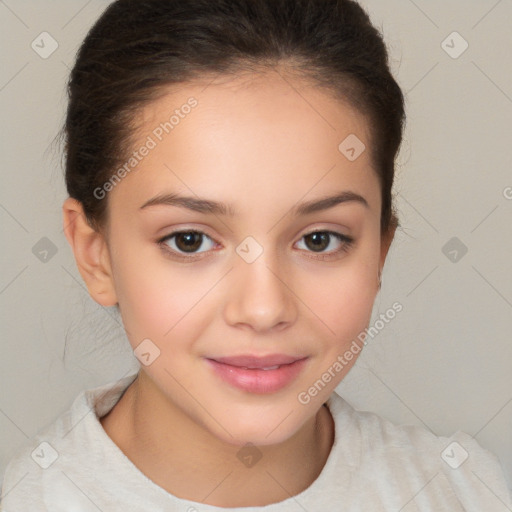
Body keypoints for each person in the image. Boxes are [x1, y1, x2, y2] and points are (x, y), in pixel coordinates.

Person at [1, 0, 510, 510]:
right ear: (97, 255)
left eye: (319, 239)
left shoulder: (465, 492)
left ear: (379, 252)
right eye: (190, 240)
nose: (264, 309)